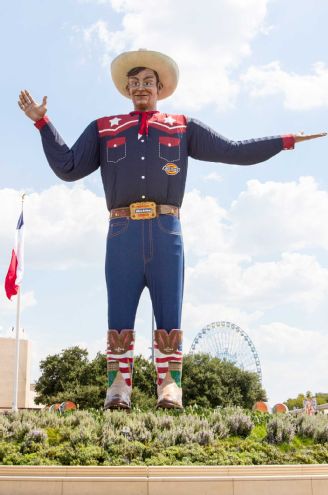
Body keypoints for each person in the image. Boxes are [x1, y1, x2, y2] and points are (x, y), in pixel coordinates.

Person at [18, 49, 326, 410]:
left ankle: (169, 386)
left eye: (147, 82)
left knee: (170, 313)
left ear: (161, 87)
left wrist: (285, 141)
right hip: (122, 230)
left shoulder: (182, 126)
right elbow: (69, 167)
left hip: (167, 229)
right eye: (133, 83)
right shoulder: (104, 128)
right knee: (119, 313)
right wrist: (43, 124)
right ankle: (118, 386)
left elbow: (232, 150)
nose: (140, 88)